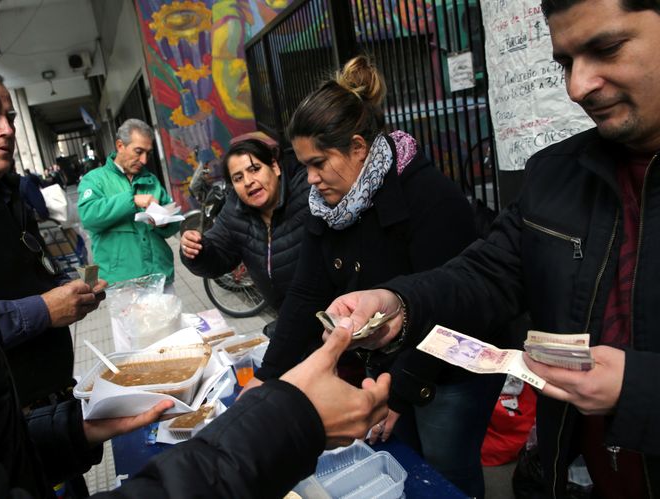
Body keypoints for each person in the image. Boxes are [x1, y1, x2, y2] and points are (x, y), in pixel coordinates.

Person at [0, 5, 389, 495]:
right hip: (126, 291)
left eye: (258, 170)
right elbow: (133, 229)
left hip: (167, 294)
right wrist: (282, 421)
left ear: (277, 168)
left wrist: (69, 429)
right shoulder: (91, 182)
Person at [325, 1, 660, 496]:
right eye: (565, 63)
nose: (577, 86)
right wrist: (399, 304)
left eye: (606, 48)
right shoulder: (554, 174)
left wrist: (639, 390)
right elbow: (487, 274)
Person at [242, 56, 503, 497]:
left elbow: (452, 307)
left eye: (319, 163)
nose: (310, 179)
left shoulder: (428, 196)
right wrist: (269, 378)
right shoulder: (327, 207)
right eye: (303, 164)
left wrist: (400, 395)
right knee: (404, 462)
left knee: (444, 473)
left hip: (452, 368)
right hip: (391, 366)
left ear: (359, 147)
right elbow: (307, 292)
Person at [0, 74, 105, 415]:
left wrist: (66, 292)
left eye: (10, 117)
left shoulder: (11, 192)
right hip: (6, 409)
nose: (7, 130)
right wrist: (43, 310)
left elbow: (34, 264)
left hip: (52, 390)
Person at [180, 137, 310, 311]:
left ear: (274, 167)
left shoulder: (307, 191)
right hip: (288, 318)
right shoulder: (235, 209)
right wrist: (196, 249)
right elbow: (218, 257)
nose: (248, 182)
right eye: (238, 178)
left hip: (335, 313)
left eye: (254, 169)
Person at [78, 119, 180, 288]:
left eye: (148, 153)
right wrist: (131, 200)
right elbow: (89, 216)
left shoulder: (151, 180)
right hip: (122, 284)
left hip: (160, 277)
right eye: (138, 151)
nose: (144, 160)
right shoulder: (95, 180)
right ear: (120, 146)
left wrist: (162, 223)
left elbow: (172, 224)